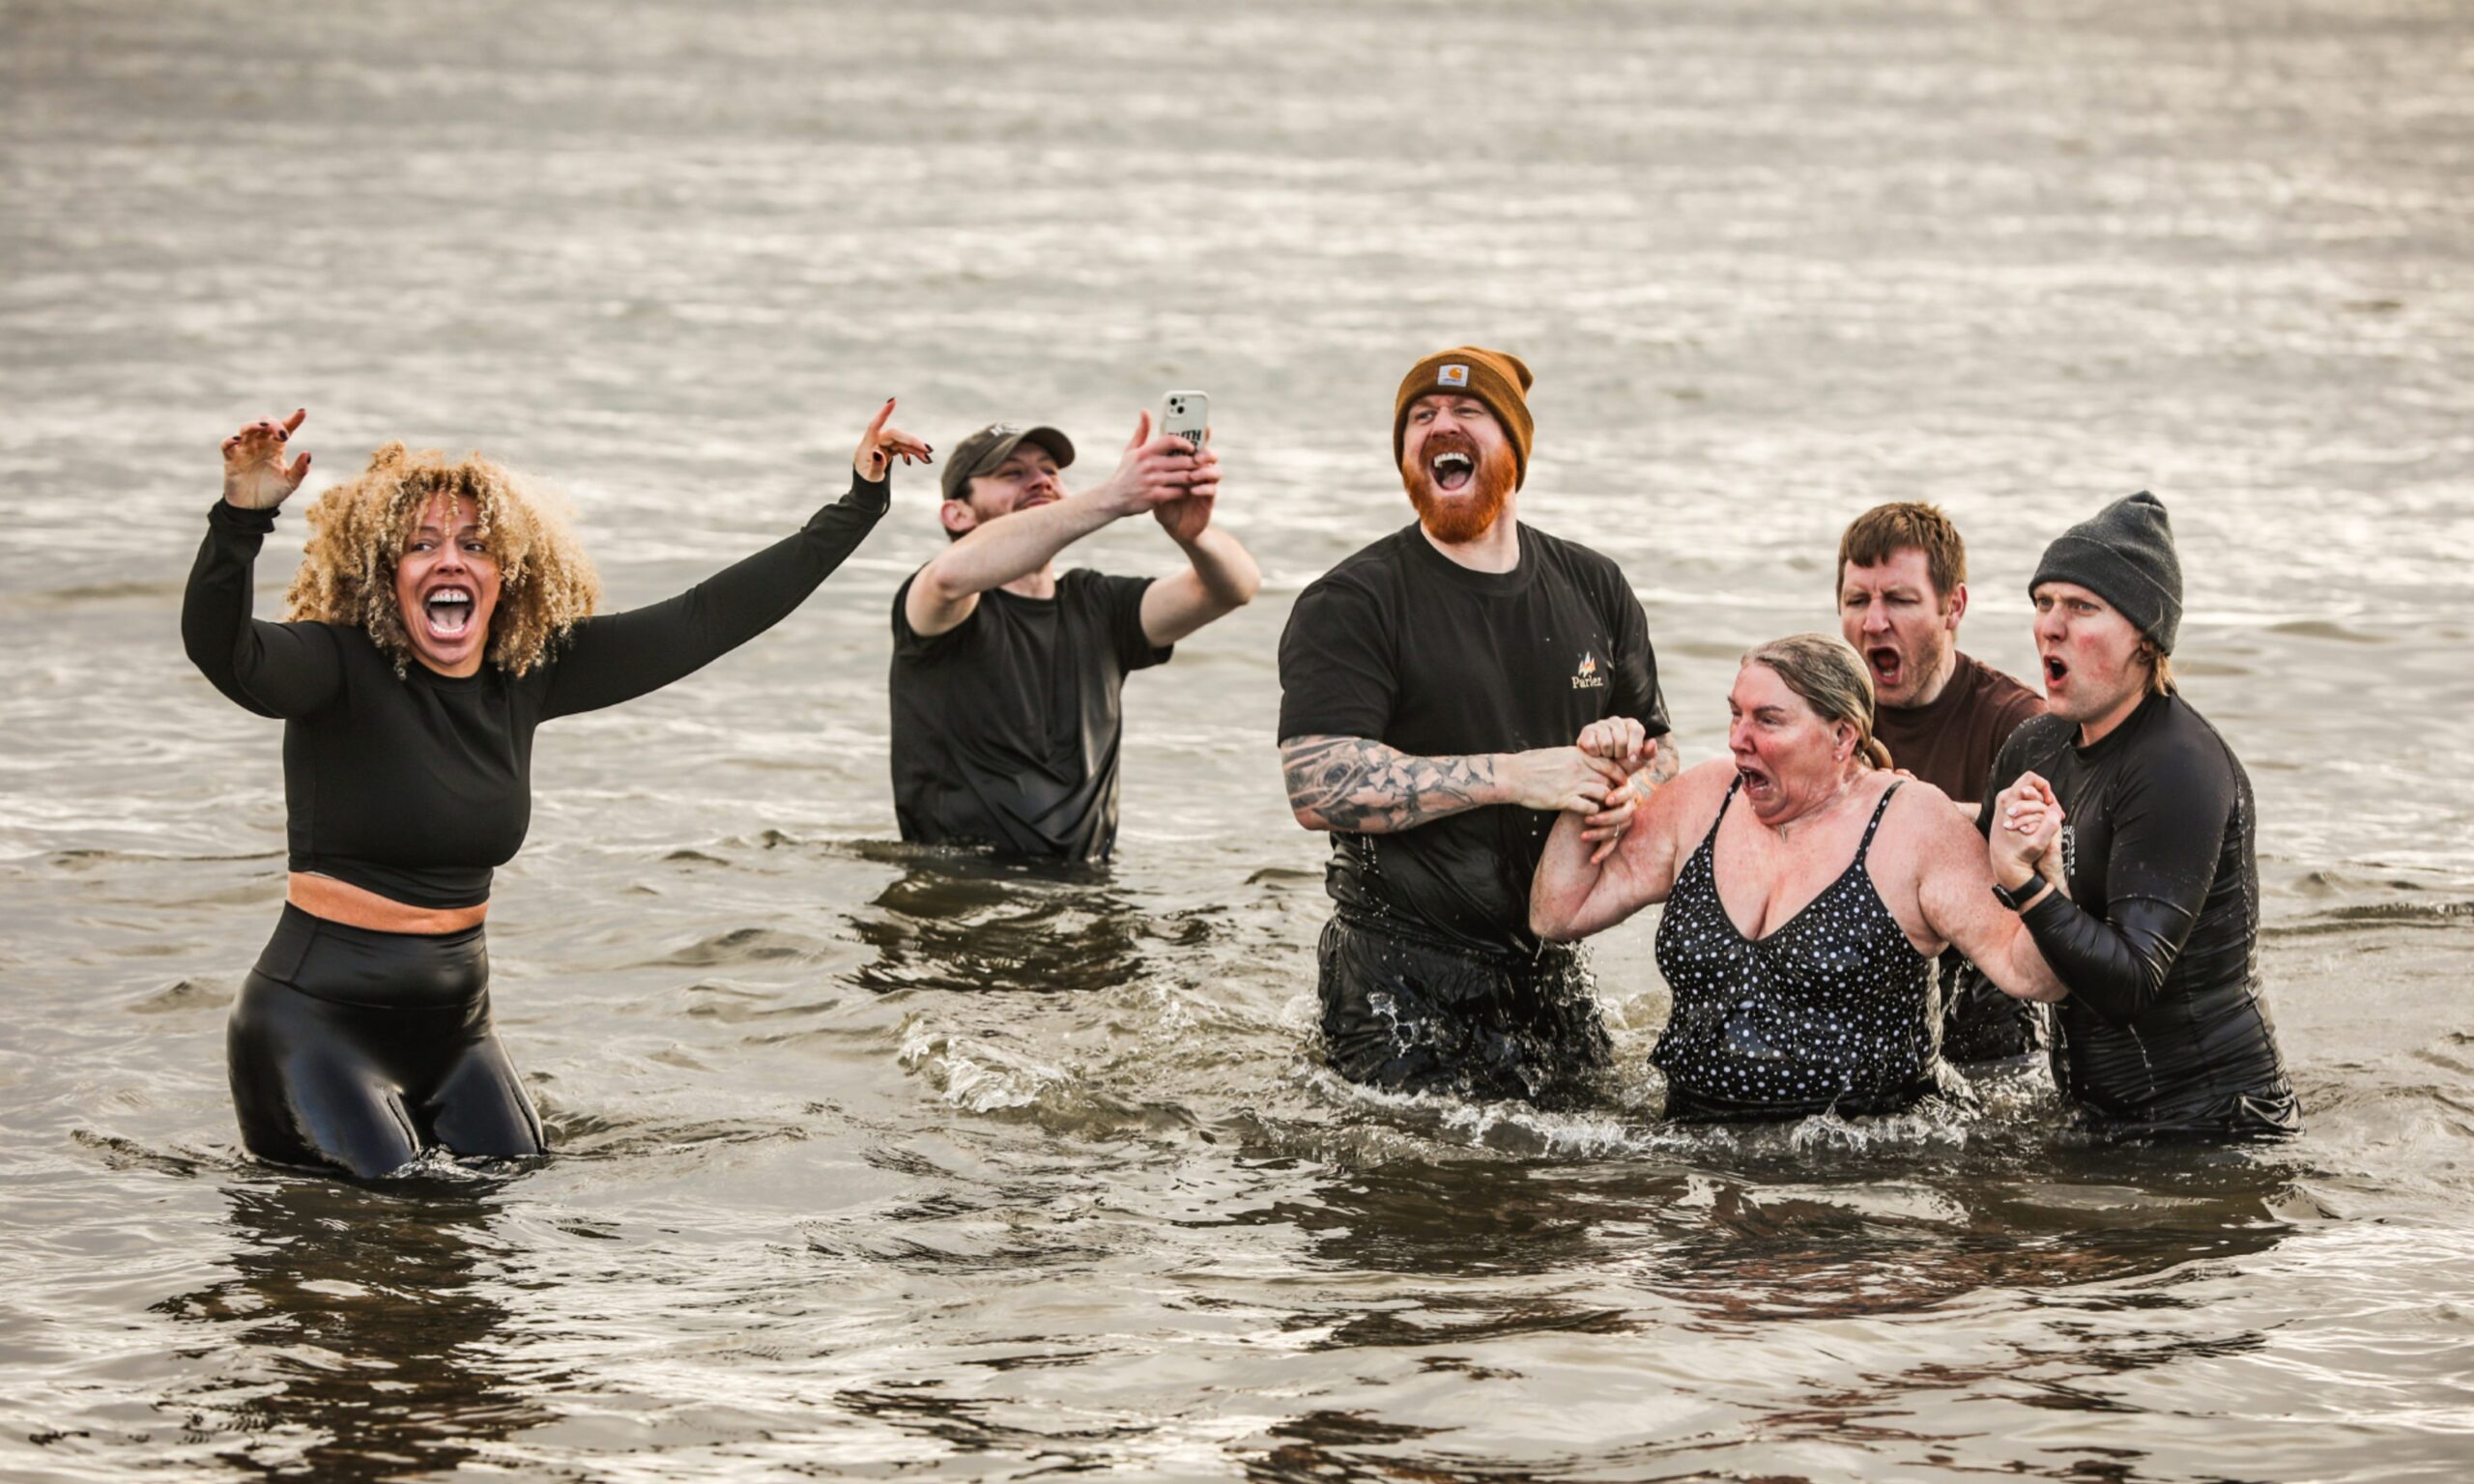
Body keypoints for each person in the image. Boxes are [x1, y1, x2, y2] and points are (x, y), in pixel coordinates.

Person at [185, 403, 928, 1178]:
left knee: (512, 1205)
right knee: (386, 1235)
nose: (451, 562)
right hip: (313, 1029)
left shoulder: (528, 675)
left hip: (457, 1033)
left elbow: (708, 618)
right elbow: (224, 653)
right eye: (422, 546)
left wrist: (859, 501)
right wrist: (241, 520)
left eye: (475, 545)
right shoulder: (333, 667)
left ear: (506, 574)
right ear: (384, 572)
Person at [1278, 347, 1675, 1108]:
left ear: (1514, 447)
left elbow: (1660, 747)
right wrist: (1516, 777)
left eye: (1467, 413)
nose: (1440, 425)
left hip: (1547, 968)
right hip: (1400, 975)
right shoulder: (1353, 600)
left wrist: (1632, 789)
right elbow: (1315, 784)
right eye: (1420, 417)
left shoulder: (1594, 585)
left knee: (1577, 1195)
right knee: (1420, 1203)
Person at [1530, 635, 2066, 1122]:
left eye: (1767, 720)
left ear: (1841, 736)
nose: (1740, 738)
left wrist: (2035, 869)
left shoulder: (1912, 824)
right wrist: (1595, 778)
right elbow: (1559, 911)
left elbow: (2036, 976)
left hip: (1867, 1152)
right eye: (1735, 714)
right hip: (1694, 1133)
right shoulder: (1706, 799)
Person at [1982, 493, 2300, 1139]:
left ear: (2146, 638)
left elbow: (2130, 981)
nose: (2050, 625)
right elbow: (1975, 878)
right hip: (2092, 1115)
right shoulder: (2035, 746)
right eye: (2043, 603)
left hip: (2215, 1125)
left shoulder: (2179, 767)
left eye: (2081, 607)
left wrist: (2027, 882)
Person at [889, 413, 1259, 862]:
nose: (1041, 481)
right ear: (957, 513)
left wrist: (1194, 536)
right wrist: (1113, 496)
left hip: (1086, 890)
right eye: (1013, 473)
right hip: (964, 892)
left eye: (1050, 471)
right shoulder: (944, 605)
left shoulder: (1097, 604)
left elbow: (1234, 587)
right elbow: (949, 576)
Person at [1835, 500, 2047, 1064]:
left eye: (1900, 600)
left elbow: (2067, 840)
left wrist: (1918, 812)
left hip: (1988, 1004)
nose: (1874, 622)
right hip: (1858, 993)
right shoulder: (1823, 718)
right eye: (1857, 600)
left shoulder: (2017, 722)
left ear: (1953, 606)